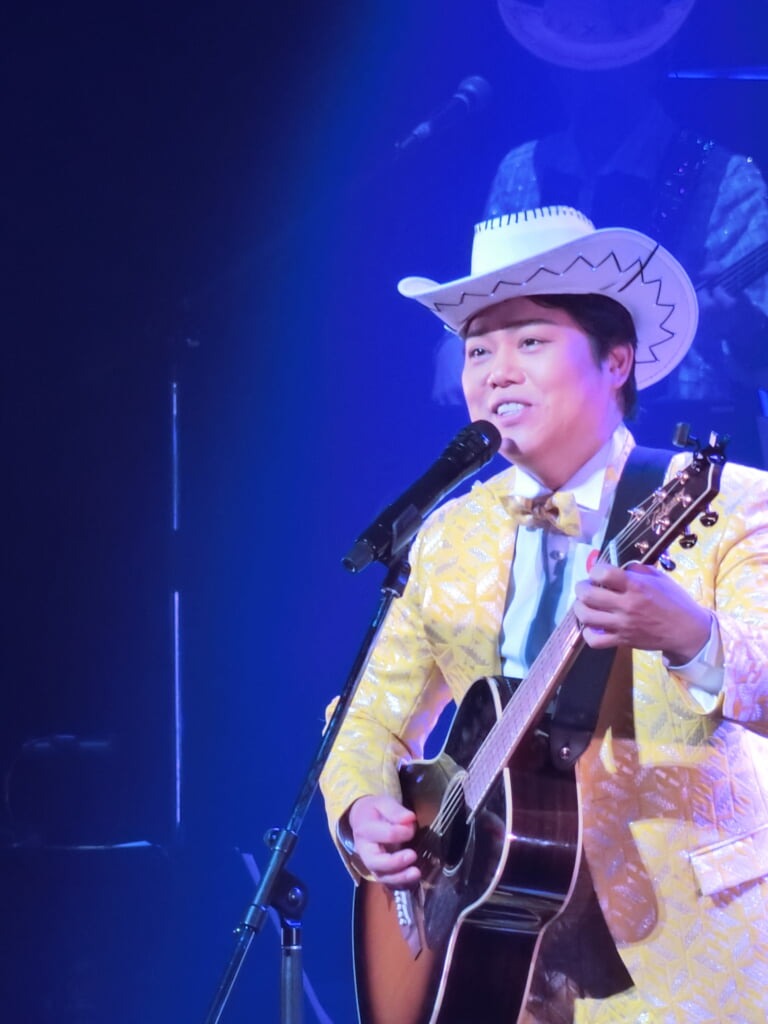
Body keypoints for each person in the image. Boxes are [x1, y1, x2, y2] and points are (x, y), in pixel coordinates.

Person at [320, 206, 768, 1023]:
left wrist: (691, 638)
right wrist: (360, 809)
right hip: (487, 956)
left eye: (529, 341)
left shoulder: (733, 505)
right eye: (477, 350)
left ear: (616, 359)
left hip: (692, 955)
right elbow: (366, 721)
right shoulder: (449, 534)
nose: (496, 372)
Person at [435, 0, 768, 468]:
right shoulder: (522, 168)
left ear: (654, 60)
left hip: (688, 441)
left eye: (613, 67)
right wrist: (457, 343)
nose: (592, 83)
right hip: (546, 437)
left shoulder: (726, 177)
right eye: (574, 67)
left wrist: (739, 327)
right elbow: (490, 297)